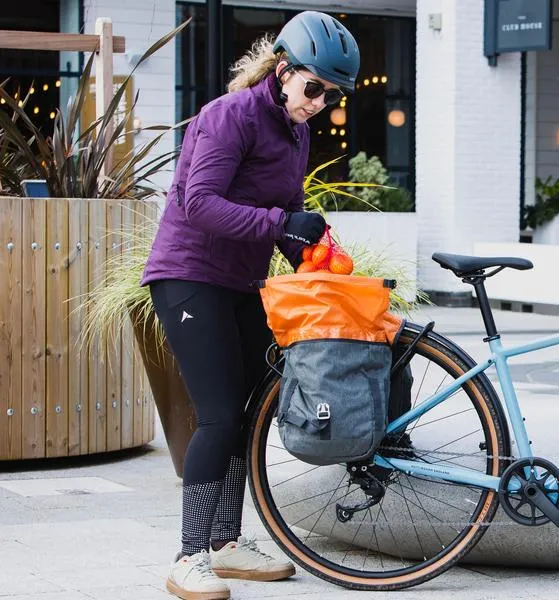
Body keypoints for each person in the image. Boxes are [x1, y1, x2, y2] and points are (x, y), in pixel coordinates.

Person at [140, 11, 360, 600]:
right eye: (312, 87)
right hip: (189, 277)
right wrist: (281, 220)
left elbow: (286, 213)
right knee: (217, 415)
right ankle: (190, 556)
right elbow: (199, 205)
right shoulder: (228, 116)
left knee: (245, 409)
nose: (318, 102)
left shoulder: (295, 129)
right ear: (283, 70)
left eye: (330, 95)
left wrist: (317, 261)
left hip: (241, 282)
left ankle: (227, 544)